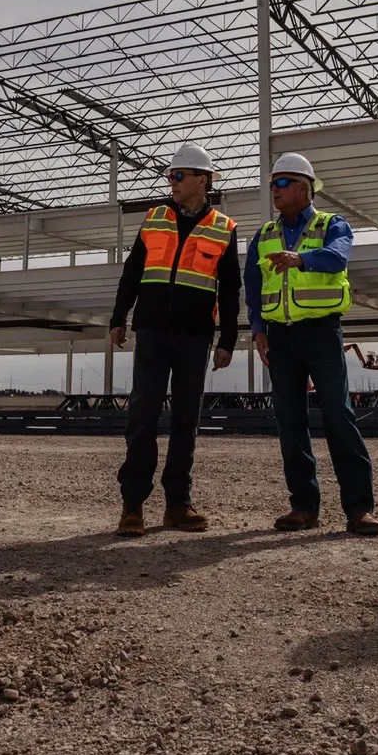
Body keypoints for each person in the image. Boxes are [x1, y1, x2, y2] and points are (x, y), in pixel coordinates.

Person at [246, 152, 378, 536]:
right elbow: (252, 287)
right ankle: (303, 507)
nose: (274, 190)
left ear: (304, 188)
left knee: (338, 416)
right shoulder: (264, 235)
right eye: (272, 184)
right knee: (290, 422)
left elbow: (338, 258)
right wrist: (257, 330)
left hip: (321, 332)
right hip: (278, 338)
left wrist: (300, 259)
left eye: (282, 183)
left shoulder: (331, 224)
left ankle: (359, 509)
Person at [108, 144, 239, 536]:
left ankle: (178, 505)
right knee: (143, 415)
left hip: (195, 337)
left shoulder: (224, 228)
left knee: (186, 420)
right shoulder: (154, 219)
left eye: (178, 176)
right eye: (170, 176)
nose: (172, 182)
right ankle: (132, 506)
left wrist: (228, 340)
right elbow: (131, 274)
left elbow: (230, 291)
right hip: (151, 331)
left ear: (203, 180)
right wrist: (119, 317)